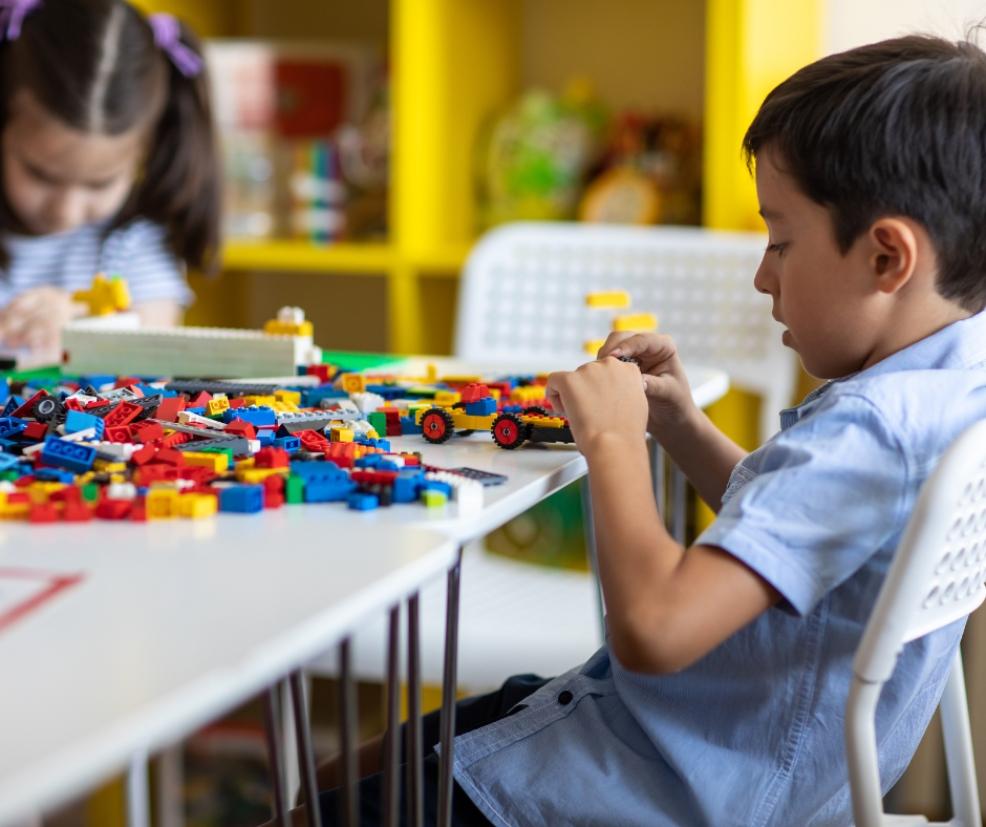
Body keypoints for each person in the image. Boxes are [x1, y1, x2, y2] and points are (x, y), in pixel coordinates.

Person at [304, 33, 986, 827]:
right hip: (710, 751)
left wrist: (616, 442)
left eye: (780, 240)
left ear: (885, 257)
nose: (763, 275)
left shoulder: (872, 427)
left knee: (317, 799)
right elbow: (802, 532)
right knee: (344, 771)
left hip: (657, 785)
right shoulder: (952, 385)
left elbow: (655, 630)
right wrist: (682, 423)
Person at [0, 0, 219, 364]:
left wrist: (82, 321)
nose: (64, 211)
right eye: (40, 174)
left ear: (144, 156)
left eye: (99, 184)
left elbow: (156, 341)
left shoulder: (132, 244)